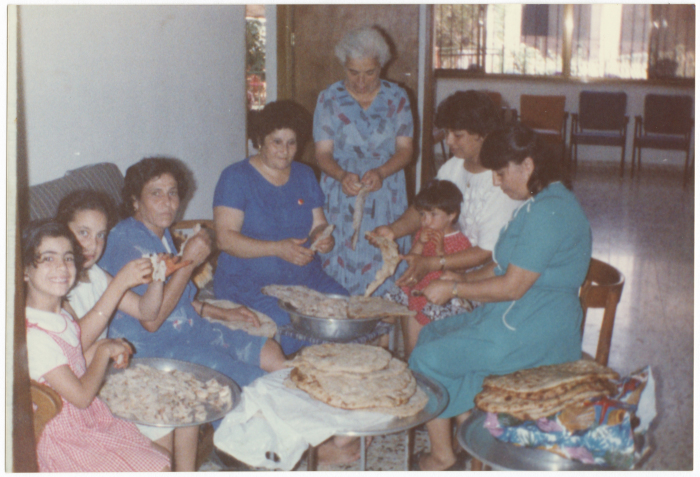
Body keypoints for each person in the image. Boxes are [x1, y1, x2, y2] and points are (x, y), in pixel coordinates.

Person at [408, 124, 592, 471]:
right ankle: (473, 436)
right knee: (432, 333)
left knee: (427, 358)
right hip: (516, 315)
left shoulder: (550, 212)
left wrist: (454, 289)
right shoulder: (538, 204)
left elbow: (512, 285)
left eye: (501, 172)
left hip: (535, 330)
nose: (497, 181)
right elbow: (500, 267)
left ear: (527, 165)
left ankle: (444, 456)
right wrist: (459, 276)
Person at [99, 157, 287, 394]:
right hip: (156, 349)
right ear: (135, 201)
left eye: (172, 192)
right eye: (156, 194)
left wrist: (223, 313)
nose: (167, 202)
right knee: (258, 385)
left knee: (271, 352)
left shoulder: (160, 233)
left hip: (190, 331)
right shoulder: (127, 244)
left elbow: (178, 302)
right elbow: (152, 321)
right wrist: (188, 263)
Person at [56, 189, 199, 472]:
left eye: (100, 235)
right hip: (81, 386)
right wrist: (120, 283)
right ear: (62, 232)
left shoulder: (95, 275)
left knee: (188, 411)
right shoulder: (58, 284)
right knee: (163, 423)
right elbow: (72, 345)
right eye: (83, 232)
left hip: (107, 374)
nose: (93, 245)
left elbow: (147, 311)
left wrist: (158, 277)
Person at [23, 220, 171, 472]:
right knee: (157, 466)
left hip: (88, 419)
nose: (62, 267)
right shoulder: (34, 335)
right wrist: (102, 352)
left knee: (161, 456)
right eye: (48, 259)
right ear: (25, 270)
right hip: (64, 436)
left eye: (68, 258)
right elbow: (80, 397)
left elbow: (74, 359)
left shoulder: (61, 317)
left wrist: (108, 345)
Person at [213, 100, 347, 356]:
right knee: (291, 324)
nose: (284, 151)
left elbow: (318, 224)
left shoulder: (305, 174)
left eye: (292, 143)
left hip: (305, 277)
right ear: (260, 140)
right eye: (276, 141)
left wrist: (322, 237)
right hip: (249, 284)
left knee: (343, 307)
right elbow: (225, 239)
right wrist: (277, 249)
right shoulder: (236, 177)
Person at [373, 90, 520, 290]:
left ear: (483, 134)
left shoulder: (502, 181)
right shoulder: (453, 167)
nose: (448, 141)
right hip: (447, 262)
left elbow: (487, 252)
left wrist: (432, 264)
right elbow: (423, 208)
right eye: (446, 132)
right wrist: (392, 231)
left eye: (457, 135)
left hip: (484, 277)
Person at [313, 25, 414, 296]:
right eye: (353, 72)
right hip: (342, 188)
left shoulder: (397, 98)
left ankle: (381, 337)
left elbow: (405, 150)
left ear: (381, 66)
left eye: (369, 73)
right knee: (339, 260)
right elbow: (322, 153)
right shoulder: (329, 98)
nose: (360, 81)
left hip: (385, 188)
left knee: (383, 259)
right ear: (343, 66)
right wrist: (341, 174)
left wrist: (381, 172)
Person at [384, 179, 472, 357]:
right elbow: (412, 259)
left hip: (436, 299)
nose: (426, 221)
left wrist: (440, 251)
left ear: (451, 215)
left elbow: (458, 273)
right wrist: (420, 242)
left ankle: (420, 371)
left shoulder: (459, 241)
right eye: (423, 215)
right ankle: (391, 352)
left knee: (425, 343)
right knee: (407, 336)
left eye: (433, 214)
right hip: (416, 290)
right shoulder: (422, 234)